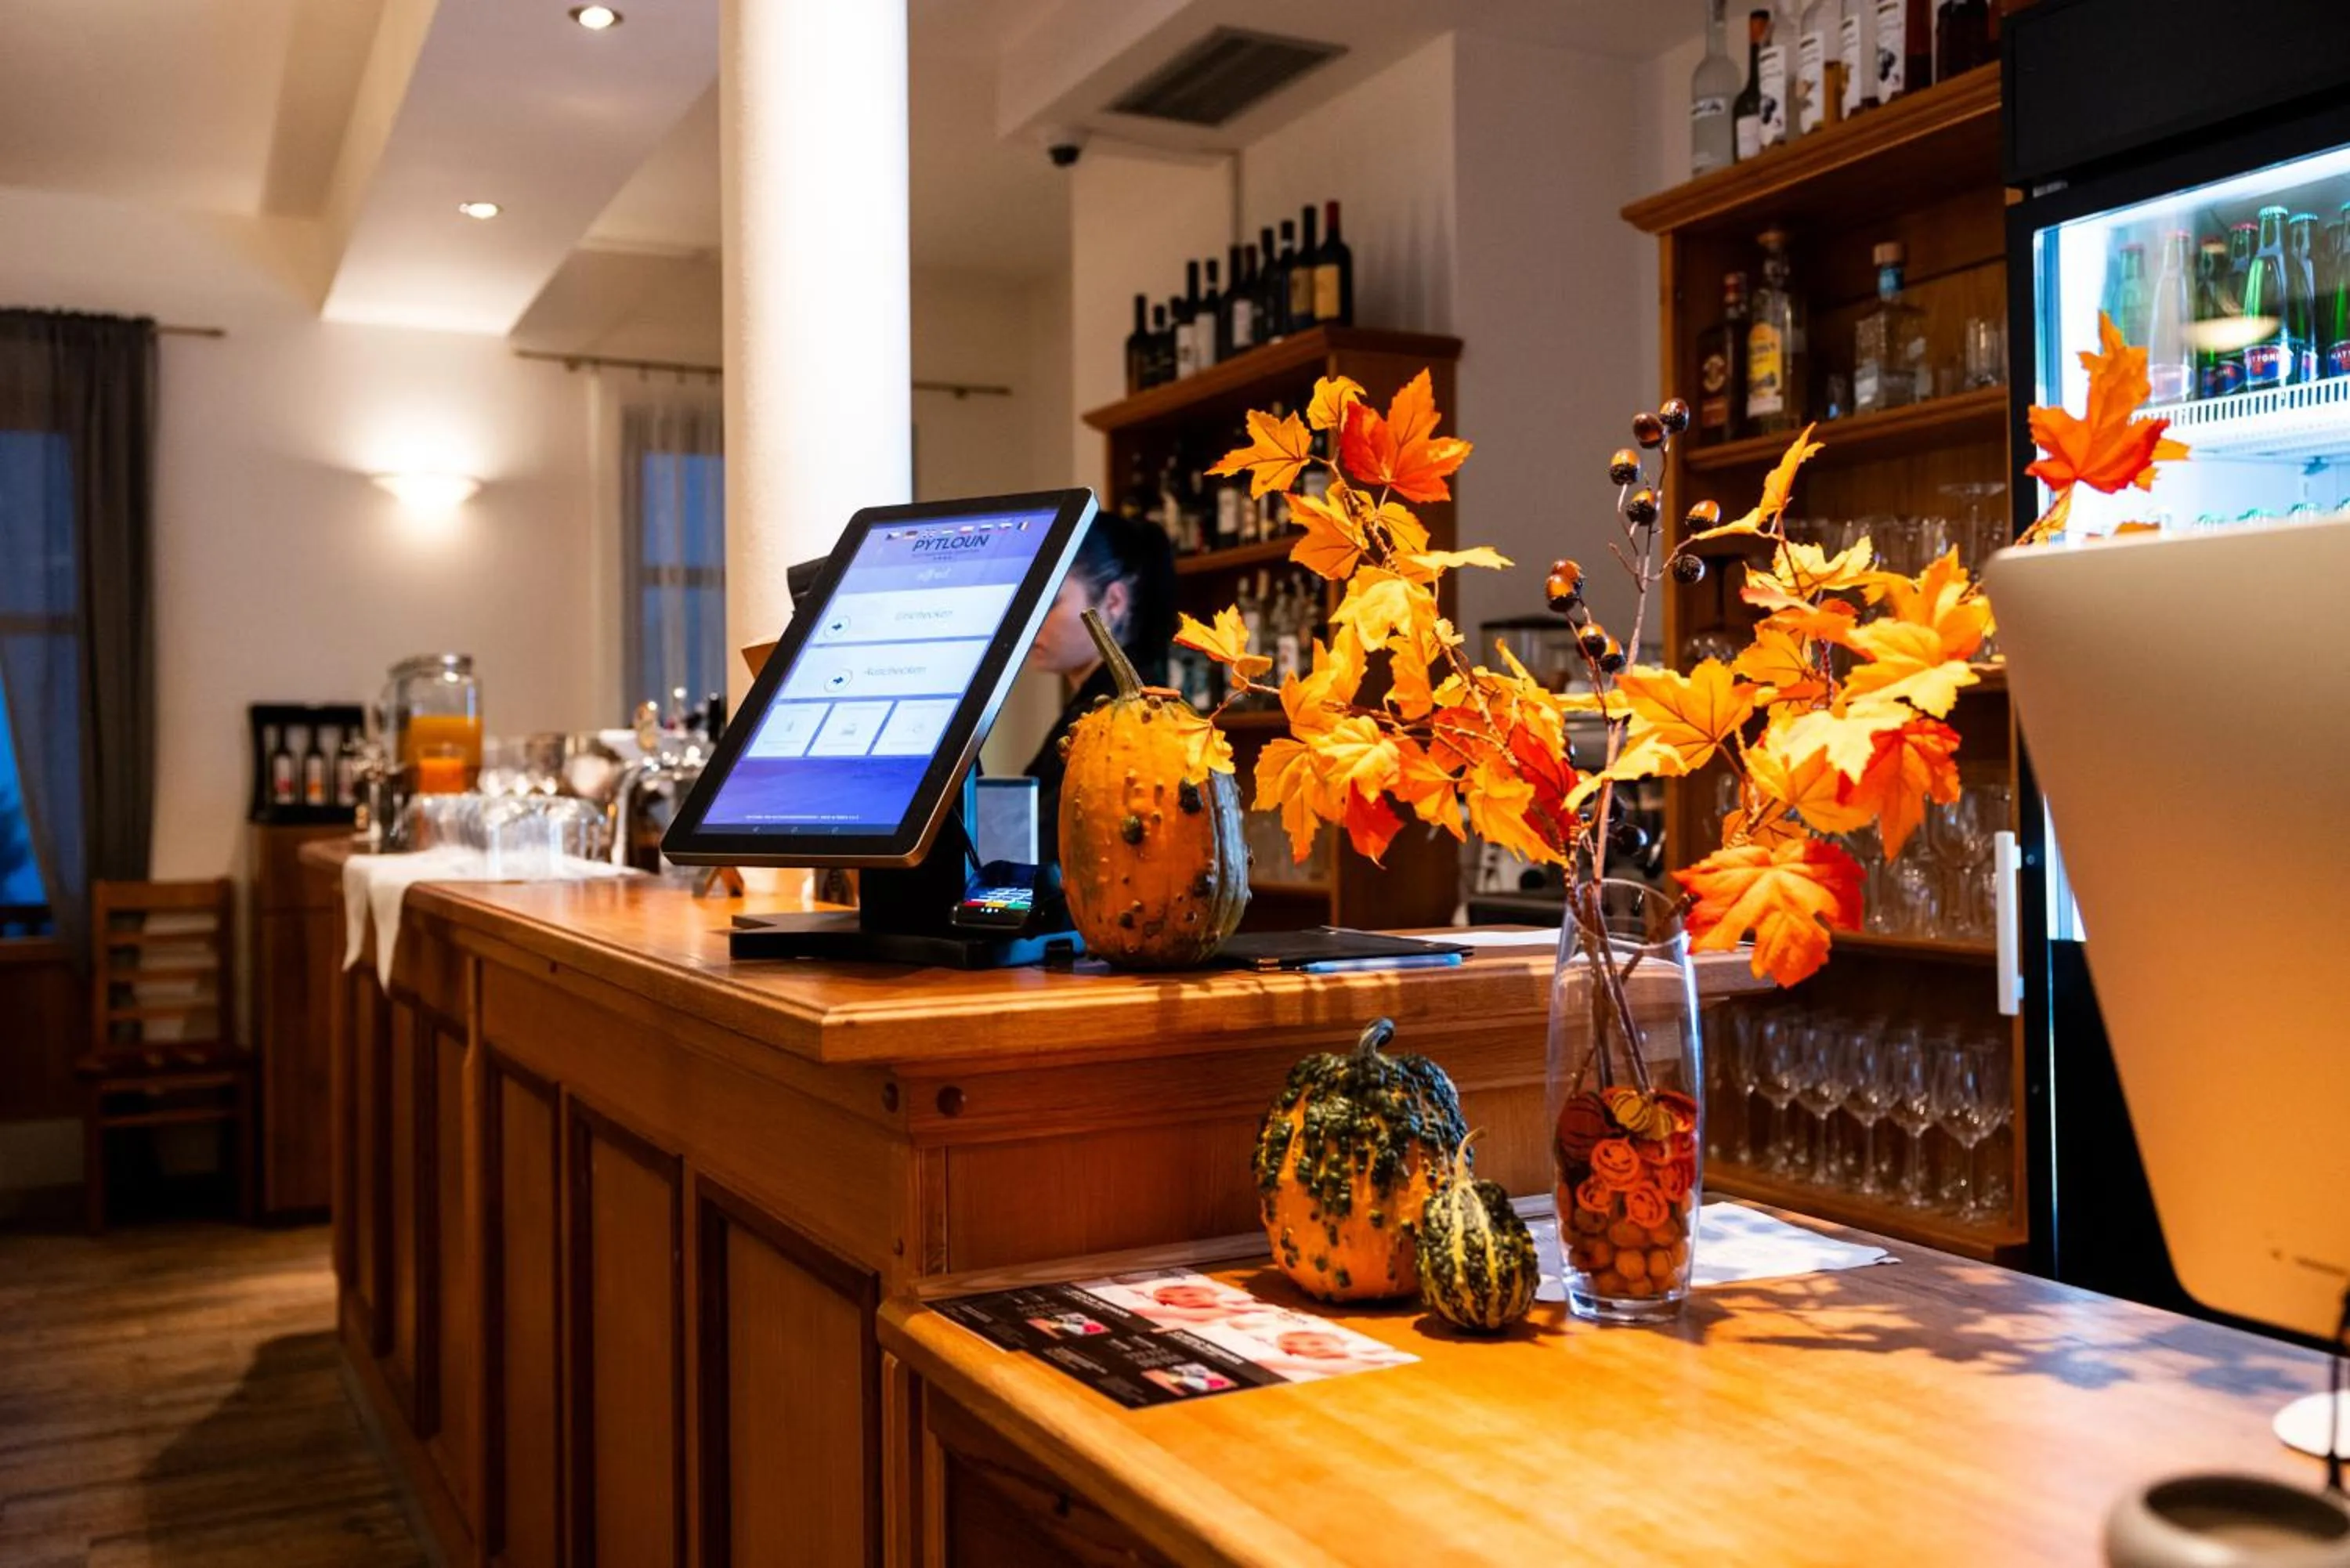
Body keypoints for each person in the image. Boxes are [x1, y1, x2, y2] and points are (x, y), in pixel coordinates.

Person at [1021, 511, 1176, 865]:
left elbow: (1051, 842)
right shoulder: (1095, 704)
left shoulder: (1124, 713)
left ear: (1114, 601)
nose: (1030, 620)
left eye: (1050, 602)